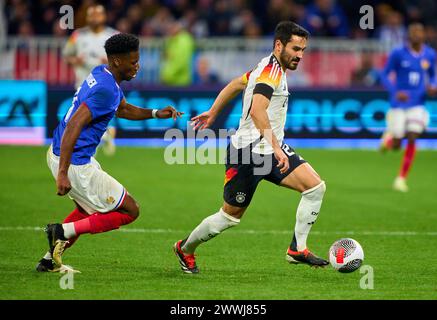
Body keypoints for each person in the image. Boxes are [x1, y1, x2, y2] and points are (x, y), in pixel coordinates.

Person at [173, 21, 329, 274]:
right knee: (229, 217)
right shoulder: (271, 72)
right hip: (247, 154)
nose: (300, 55)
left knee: (315, 188)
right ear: (279, 45)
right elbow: (257, 110)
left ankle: (297, 249)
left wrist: (213, 112)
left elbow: (236, 83)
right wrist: (277, 148)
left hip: (269, 150)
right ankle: (185, 248)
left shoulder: (267, 65)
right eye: (296, 49)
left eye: (303, 50)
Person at [36, 33, 182, 272]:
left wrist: (155, 113)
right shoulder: (106, 90)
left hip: (62, 153)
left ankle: (47, 261)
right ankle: (61, 231)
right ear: (116, 61)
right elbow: (74, 124)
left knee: (85, 211)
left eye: (138, 60)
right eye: (133, 62)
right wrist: (63, 173)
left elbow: (122, 109)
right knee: (129, 210)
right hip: (74, 162)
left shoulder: (101, 74)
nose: (137, 66)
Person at [380, 23, 437, 192]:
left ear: (424, 35)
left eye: (419, 32)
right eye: (413, 33)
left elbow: (434, 74)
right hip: (399, 104)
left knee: (412, 136)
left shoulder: (430, 54)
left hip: (418, 102)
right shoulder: (398, 53)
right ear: (408, 36)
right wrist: (395, 91)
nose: (416, 35)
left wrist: (433, 85)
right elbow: (384, 73)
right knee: (398, 143)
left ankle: (401, 179)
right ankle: (389, 140)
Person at [63, 4, 119, 156]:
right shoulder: (77, 36)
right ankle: (103, 137)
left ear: (104, 16)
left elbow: (123, 60)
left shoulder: (113, 36)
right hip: (83, 83)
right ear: (87, 17)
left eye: (98, 14)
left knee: (92, 117)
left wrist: (110, 62)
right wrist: (75, 60)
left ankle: (98, 142)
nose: (95, 18)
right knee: (84, 118)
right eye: (91, 15)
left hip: (105, 84)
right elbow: (67, 56)